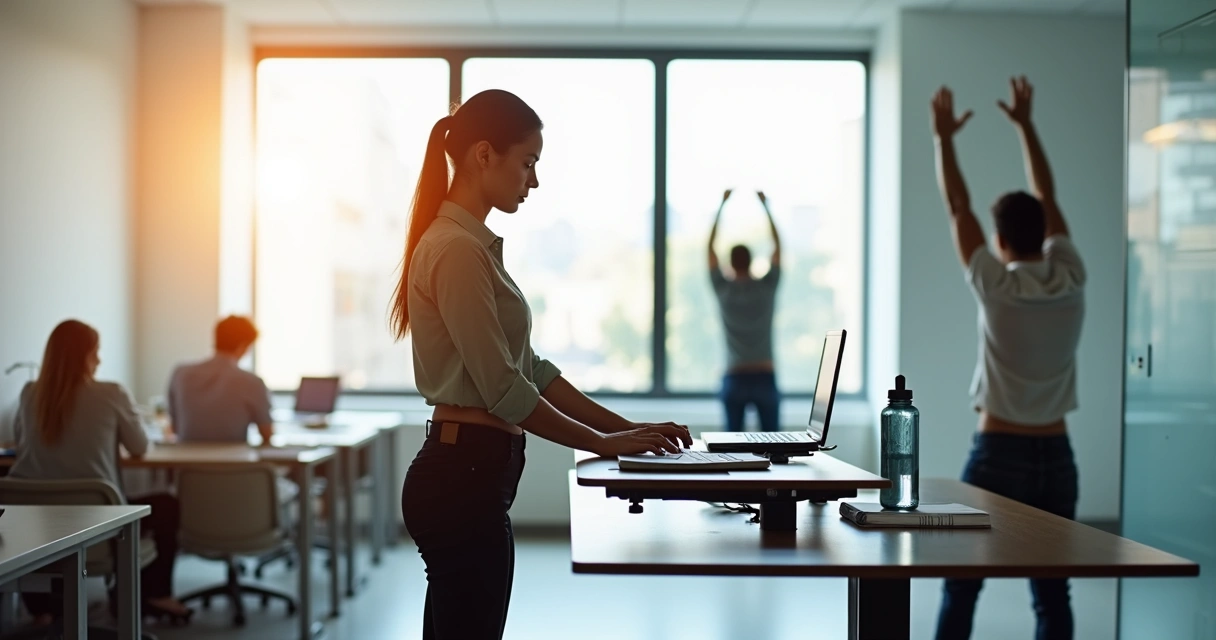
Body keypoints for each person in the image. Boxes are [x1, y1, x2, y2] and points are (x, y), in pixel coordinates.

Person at [391, 88, 692, 640]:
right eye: (527, 162)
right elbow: (504, 387)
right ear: (485, 155)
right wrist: (601, 445)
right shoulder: (456, 250)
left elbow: (533, 370)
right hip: (462, 479)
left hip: (472, 477)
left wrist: (624, 430)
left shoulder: (471, 247)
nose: (533, 180)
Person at [930, 78, 1086, 640]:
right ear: (1046, 235)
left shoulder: (995, 284)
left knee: (961, 585)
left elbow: (956, 206)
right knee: (1052, 592)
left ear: (999, 241)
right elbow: (1049, 199)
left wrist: (943, 139)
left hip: (998, 452)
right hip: (1057, 456)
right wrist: (1026, 125)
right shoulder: (1071, 277)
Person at [9, 320, 192, 624]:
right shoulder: (111, 394)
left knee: (49, 505)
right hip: (99, 524)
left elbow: (20, 444)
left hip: (36, 532)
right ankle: (155, 594)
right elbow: (139, 447)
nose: (99, 360)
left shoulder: (29, 394)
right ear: (85, 356)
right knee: (166, 506)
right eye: (96, 352)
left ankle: (43, 610)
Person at [707, 188, 783, 432]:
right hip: (764, 373)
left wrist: (721, 206)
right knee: (776, 449)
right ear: (751, 261)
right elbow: (778, 249)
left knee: (731, 450)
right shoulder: (766, 288)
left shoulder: (723, 290)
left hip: (734, 375)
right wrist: (766, 207)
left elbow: (708, 250)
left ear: (730, 262)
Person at [167, 315, 273, 446]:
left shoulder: (180, 374)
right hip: (236, 465)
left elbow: (175, 428)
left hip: (188, 464)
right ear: (244, 345)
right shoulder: (252, 382)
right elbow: (267, 434)